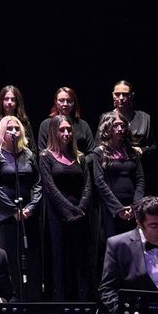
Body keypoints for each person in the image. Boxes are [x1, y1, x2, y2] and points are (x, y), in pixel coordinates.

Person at [0, 116, 43, 301]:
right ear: (2, 132)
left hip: (28, 214)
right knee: (10, 257)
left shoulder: (28, 154)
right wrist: (13, 210)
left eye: (17, 128)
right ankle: (12, 300)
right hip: (7, 216)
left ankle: (32, 299)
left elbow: (37, 183)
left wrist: (31, 207)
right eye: (9, 128)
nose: (14, 132)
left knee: (31, 257)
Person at [39, 115, 94, 303]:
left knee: (80, 260)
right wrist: (70, 210)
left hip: (80, 214)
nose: (66, 133)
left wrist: (81, 207)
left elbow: (87, 184)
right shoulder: (46, 156)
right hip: (58, 215)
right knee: (60, 259)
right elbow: (50, 188)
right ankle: (60, 303)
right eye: (62, 130)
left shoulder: (79, 157)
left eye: (69, 130)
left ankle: (83, 302)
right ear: (54, 132)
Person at [91, 111, 146, 241]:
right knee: (113, 244)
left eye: (122, 125)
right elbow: (99, 181)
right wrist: (118, 209)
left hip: (132, 207)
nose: (120, 129)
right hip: (111, 208)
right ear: (107, 128)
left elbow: (140, 180)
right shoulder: (100, 152)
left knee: (134, 244)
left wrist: (135, 206)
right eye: (115, 125)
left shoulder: (132, 152)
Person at [99, 80, 156, 156]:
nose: (121, 98)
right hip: (113, 161)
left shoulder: (145, 118)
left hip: (140, 160)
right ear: (113, 95)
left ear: (131, 96)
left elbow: (153, 145)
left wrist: (143, 149)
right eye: (117, 94)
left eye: (125, 94)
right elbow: (98, 144)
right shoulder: (105, 118)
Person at [36, 86, 93, 154]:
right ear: (56, 102)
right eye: (61, 100)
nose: (65, 104)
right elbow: (42, 152)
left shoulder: (83, 125)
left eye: (69, 101)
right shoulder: (46, 124)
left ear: (74, 103)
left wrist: (80, 160)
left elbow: (92, 152)